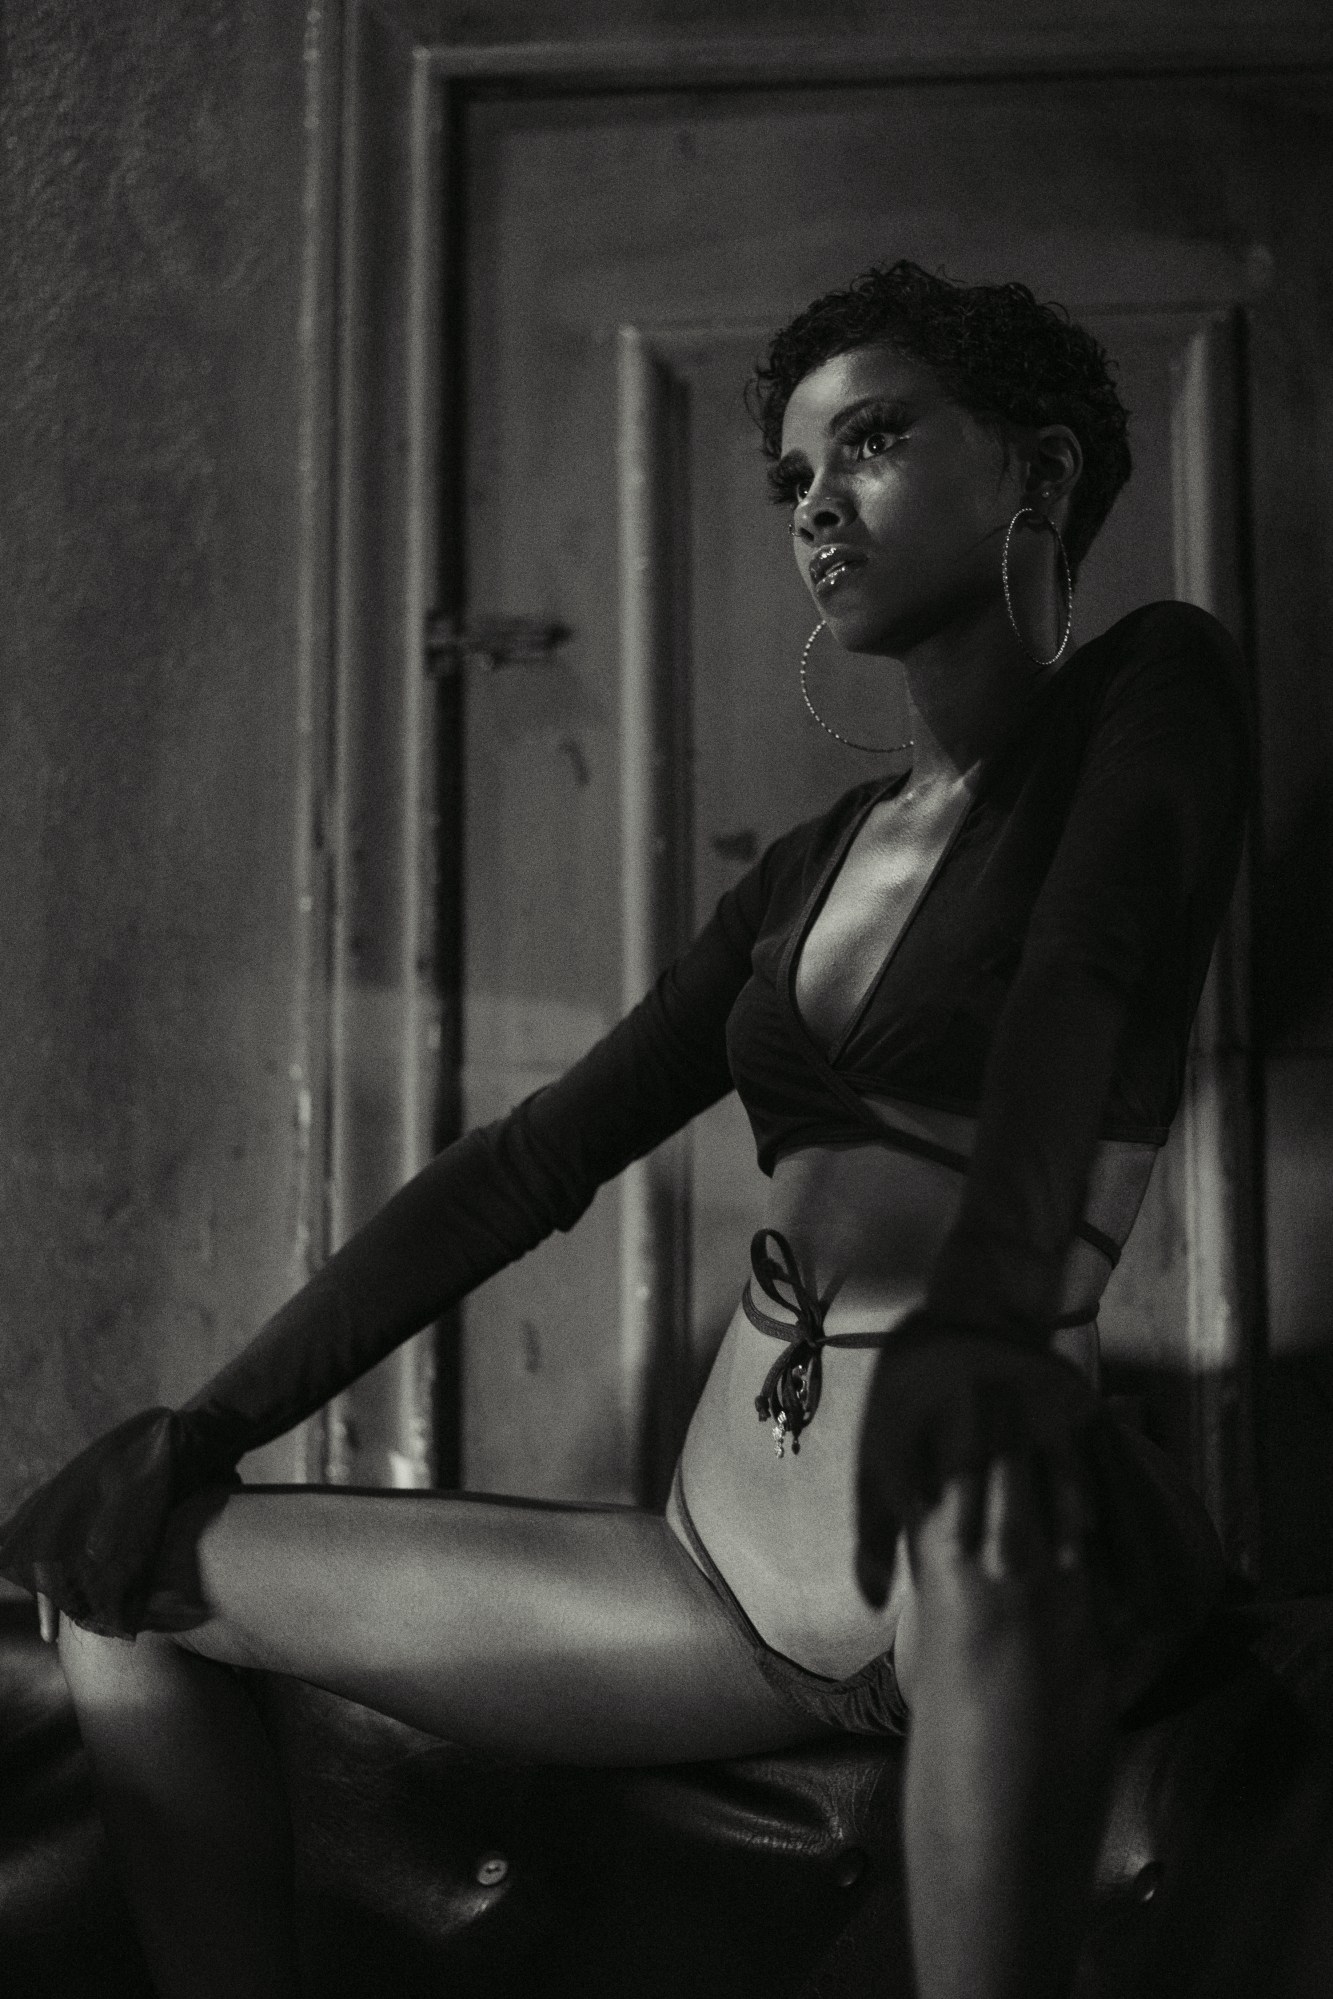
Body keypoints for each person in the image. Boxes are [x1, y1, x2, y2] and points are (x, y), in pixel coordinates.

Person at [0, 262, 1247, 1999]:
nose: (818, 505)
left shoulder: (1154, 688)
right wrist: (203, 1424)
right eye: (793, 478)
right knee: (119, 1583)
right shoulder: (806, 870)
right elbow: (529, 1166)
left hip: (993, 1540)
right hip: (718, 1584)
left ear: (1034, 472)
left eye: (873, 444)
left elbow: (1088, 970)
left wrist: (984, 1307)